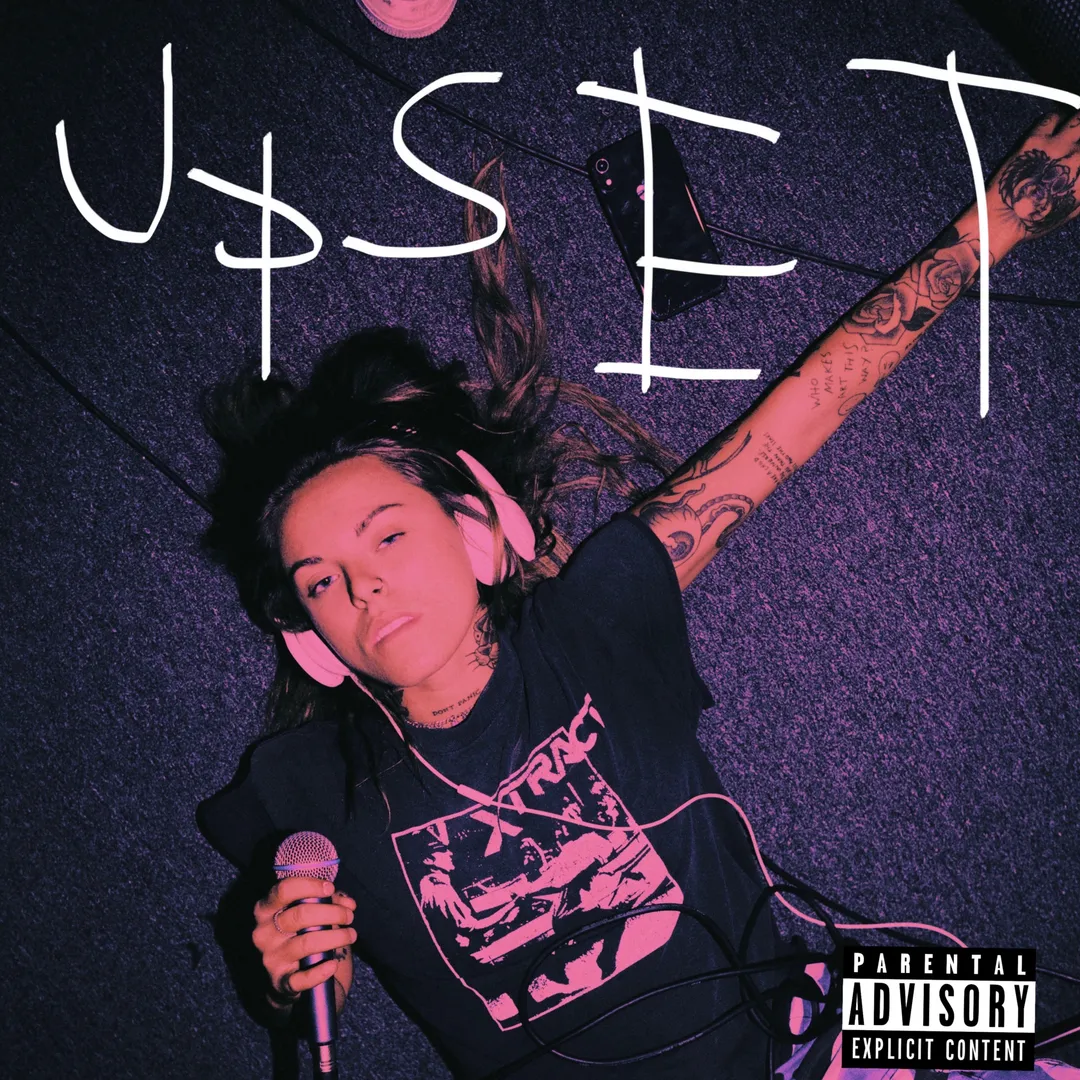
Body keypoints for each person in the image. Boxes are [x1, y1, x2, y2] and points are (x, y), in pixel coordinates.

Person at [197, 113, 1080, 1080]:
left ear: (481, 531)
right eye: (320, 581)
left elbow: (788, 425)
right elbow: (273, 958)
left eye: (387, 535)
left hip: (815, 1021)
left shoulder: (594, 622)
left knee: (1029, 1013)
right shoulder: (303, 790)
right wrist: (277, 977)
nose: (359, 582)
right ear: (312, 642)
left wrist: (999, 221)